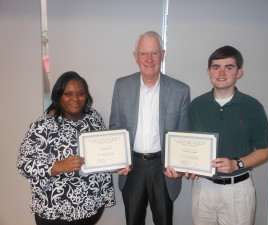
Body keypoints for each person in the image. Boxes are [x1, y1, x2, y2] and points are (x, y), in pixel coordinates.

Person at [109, 31, 190, 225]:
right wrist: (118, 159)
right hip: (132, 166)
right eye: (143, 53)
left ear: (163, 54)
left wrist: (180, 165)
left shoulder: (180, 90)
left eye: (154, 53)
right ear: (135, 56)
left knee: (163, 220)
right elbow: (115, 127)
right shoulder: (121, 86)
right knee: (133, 221)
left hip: (162, 167)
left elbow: (183, 134)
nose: (149, 59)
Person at [187, 45, 268, 225]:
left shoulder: (252, 107)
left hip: (238, 190)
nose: (222, 72)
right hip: (203, 187)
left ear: (239, 72)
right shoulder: (196, 105)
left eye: (229, 67)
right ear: (208, 71)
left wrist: (236, 164)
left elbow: (264, 151)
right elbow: (188, 145)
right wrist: (188, 166)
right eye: (216, 67)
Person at [17, 71, 115, 225]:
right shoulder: (44, 125)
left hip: (91, 206)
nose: (75, 98)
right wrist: (58, 166)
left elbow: (103, 149)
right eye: (68, 93)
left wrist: (116, 162)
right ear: (58, 96)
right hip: (57, 211)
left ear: (86, 95)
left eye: (80, 93)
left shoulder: (93, 117)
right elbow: (24, 164)